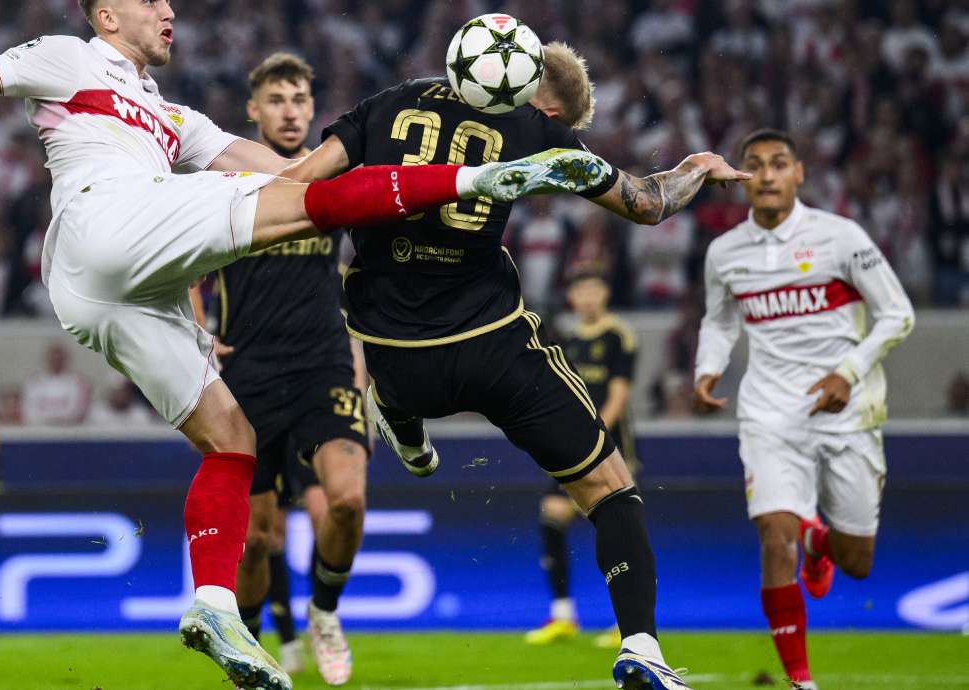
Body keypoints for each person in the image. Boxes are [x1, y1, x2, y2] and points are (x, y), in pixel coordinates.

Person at [0, 2, 608, 686]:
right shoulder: (71, 59)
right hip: (106, 221)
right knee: (298, 215)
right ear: (107, 16)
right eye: (151, 2)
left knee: (229, 438)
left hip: (107, 289)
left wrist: (371, 151)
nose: (169, 12)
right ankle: (485, 179)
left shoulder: (175, 118)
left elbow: (293, 172)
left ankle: (212, 604)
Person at [285, 39, 750, 690]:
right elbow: (648, 203)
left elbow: (299, 185)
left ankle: (397, 409)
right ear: (538, 95)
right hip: (491, 344)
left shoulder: (388, 105)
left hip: (390, 348)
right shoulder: (532, 128)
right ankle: (641, 647)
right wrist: (697, 166)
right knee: (611, 491)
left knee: (390, 362)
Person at [694, 129, 915, 690]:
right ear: (742, 177)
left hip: (847, 411)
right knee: (773, 536)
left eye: (779, 164)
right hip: (768, 411)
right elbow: (719, 319)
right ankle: (800, 682)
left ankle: (820, 543)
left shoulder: (840, 238)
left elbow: (898, 314)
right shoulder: (724, 252)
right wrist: (707, 366)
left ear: (799, 175)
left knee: (857, 561)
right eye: (755, 166)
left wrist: (847, 372)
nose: (767, 175)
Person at [196, 53, 370, 686]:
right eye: (277, 100)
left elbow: (365, 257)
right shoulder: (231, 178)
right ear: (254, 110)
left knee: (347, 501)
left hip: (324, 362)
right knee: (257, 545)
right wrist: (197, 331)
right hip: (250, 372)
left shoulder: (326, 175)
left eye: (299, 99)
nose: (290, 111)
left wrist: (364, 352)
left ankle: (324, 613)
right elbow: (188, 261)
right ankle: (246, 657)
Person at [525, 273, 638, 649]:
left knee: (614, 527)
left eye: (594, 289)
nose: (587, 297)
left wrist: (597, 433)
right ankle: (562, 615)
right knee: (551, 517)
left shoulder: (618, 336)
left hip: (608, 446)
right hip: (572, 446)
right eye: (580, 291)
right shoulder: (568, 341)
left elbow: (619, 394)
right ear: (572, 297)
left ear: (606, 292)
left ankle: (629, 623)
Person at [22, 342, 92, 426]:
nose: (56, 360)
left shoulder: (78, 382)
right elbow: (29, 411)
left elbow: (77, 412)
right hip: (40, 431)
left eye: (59, 358)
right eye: (53, 358)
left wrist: (57, 420)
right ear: (46, 359)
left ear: (65, 359)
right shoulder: (34, 382)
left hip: (69, 431)